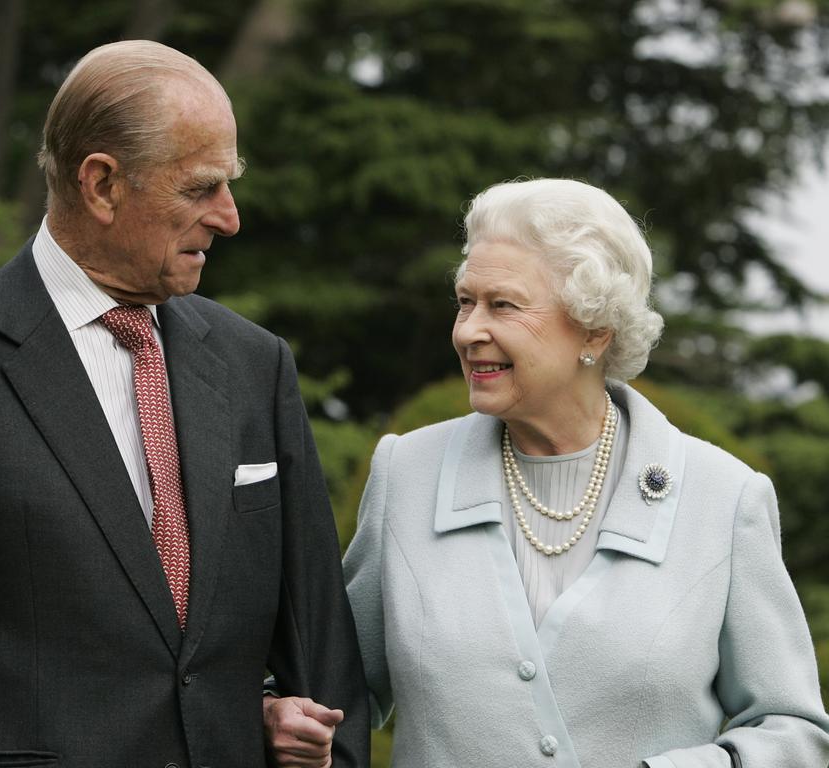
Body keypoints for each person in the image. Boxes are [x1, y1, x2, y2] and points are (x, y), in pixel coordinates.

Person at [0, 40, 368, 768]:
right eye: (201, 189)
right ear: (102, 185)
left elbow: (322, 657)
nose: (229, 218)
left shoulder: (255, 365)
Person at [265, 178, 829, 767]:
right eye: (465, 301)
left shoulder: (724, 498)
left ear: (594, 329)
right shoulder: (407, 473)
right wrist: (285, 714)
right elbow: (334, 689)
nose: (467, 331)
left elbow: (793, 730)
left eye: (502, 305)